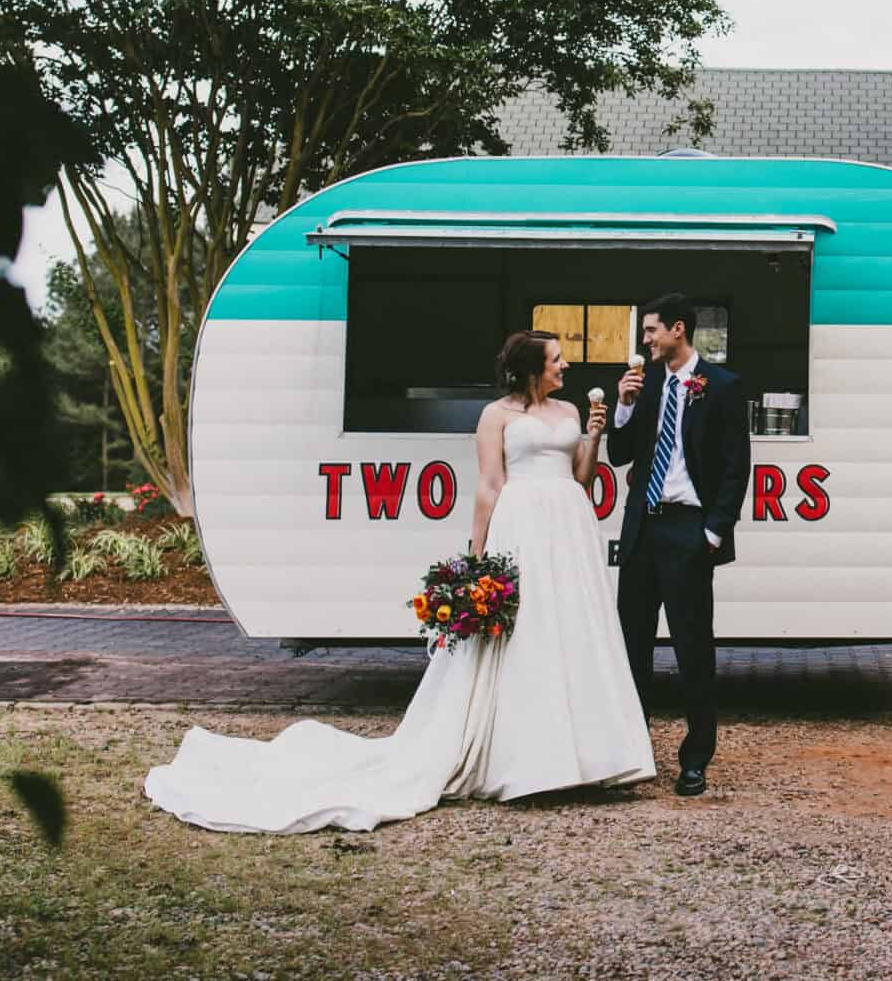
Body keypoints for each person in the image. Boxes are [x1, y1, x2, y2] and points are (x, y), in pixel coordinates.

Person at [143, 331, 654, 832]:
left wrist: (593, 435)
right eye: (556, 359)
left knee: (572, 630)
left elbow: (582, 477)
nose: (565, 366)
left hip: (568, 528)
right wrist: (477, 558)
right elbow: (490, 485)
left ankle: (585, 758)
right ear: (530, 369)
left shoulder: (569, 412)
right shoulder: (496, 416)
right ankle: (528, 759)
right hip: (521, 526)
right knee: (526, 636)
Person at [605, 293, 751, 796]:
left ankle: (695, 758)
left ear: (678, 330)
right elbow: (620, 455)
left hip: (689, 531)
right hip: (642, 529)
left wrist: (712, 532)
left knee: (693, 649)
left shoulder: (722, 386)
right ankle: (633, 754)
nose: (645, 340)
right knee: (632, 647)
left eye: (651, 330)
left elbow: (735, 468)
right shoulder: (645, 386)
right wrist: (624, 406)